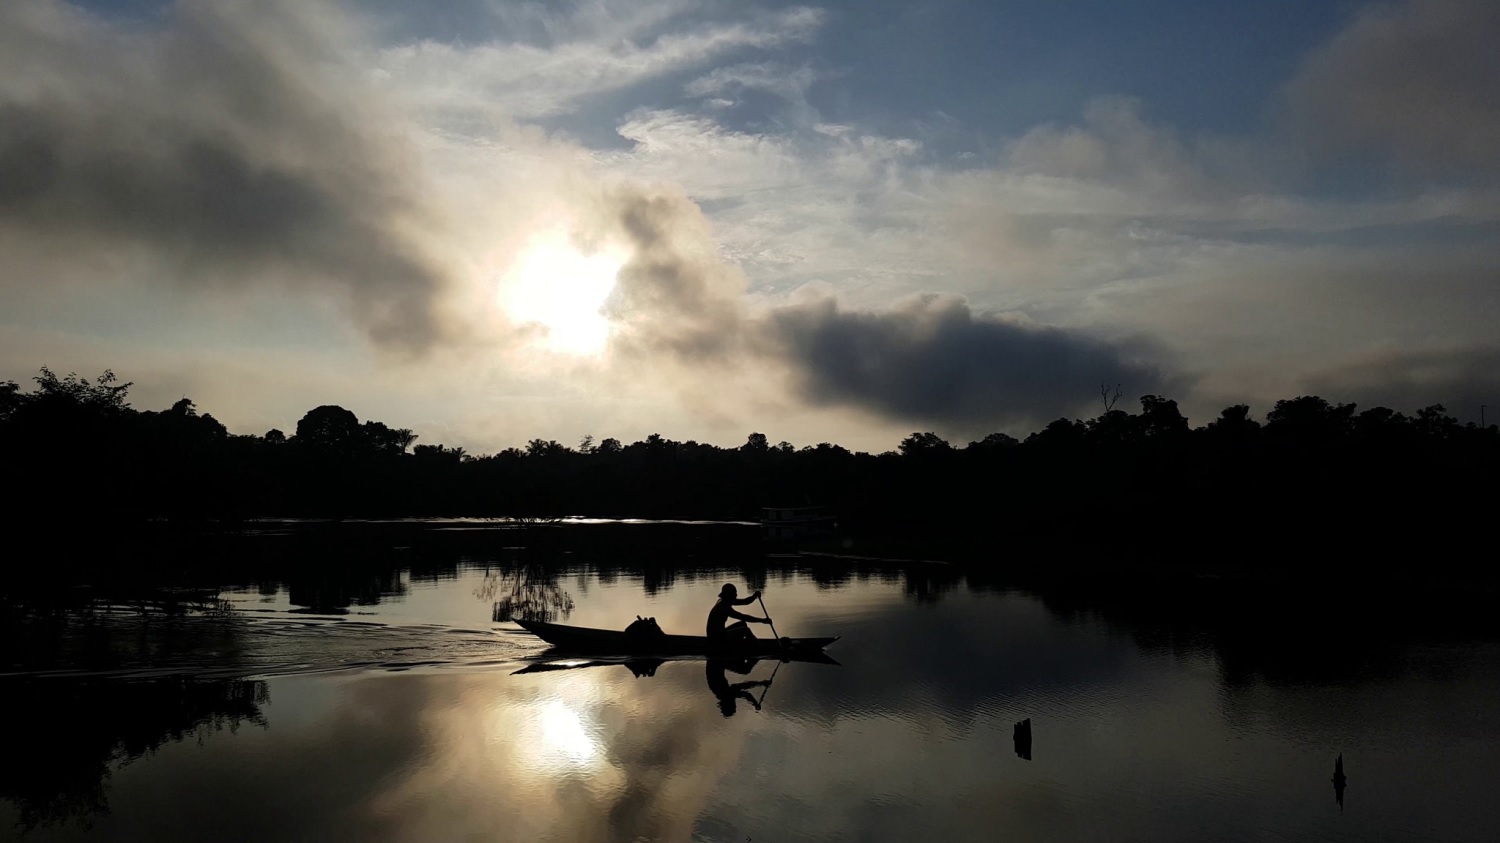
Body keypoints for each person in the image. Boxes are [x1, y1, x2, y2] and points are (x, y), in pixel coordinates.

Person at [706, 583, 771, 641]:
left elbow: (745, 601)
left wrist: (754, 596)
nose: (736, 595)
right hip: (716, 638)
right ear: (729, 595)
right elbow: (743, 617)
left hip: (719, 633)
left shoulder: (724, 601)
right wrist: (763, 620)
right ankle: (758, 648)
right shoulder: (724, 607)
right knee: (745, 630)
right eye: (735, 593)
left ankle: (742, 644)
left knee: (742, 624)